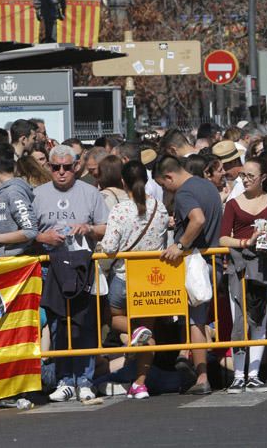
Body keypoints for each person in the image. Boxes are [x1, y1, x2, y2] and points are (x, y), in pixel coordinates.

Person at [34, 144, 109, 402]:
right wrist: (44, 236)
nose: (62, 172)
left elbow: (105, 227)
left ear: (76, 166)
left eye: (67, 167)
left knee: (84, 324)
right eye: (56, 168)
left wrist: (87, 229)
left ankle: (85, 379)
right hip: (50, 267)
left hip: (82, 267)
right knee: (57, 325)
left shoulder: (90, 192)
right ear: (49, 168)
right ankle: (64, 379)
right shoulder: (38, 194)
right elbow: (29, 231)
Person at [219, 157, 267, 393]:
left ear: (263, 178)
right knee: (238, 318)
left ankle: (254, 374)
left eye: (250, 176)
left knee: (259, 319)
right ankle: (238, 374)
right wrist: (244, 241)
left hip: (264, 264)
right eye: (243, 176)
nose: (246, 180)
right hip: (239, 266)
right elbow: (223, 237)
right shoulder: (233, 204)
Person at [100, 160, 169, 400]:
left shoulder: (120, 210)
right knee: (148, 332)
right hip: (152, 277)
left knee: (112, 315)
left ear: (122, 182)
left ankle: (132, 330)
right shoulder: (160, 208)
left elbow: (109, 247)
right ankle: (140, 383)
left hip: (124, 275)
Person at [156, 155, 223, 395]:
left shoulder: (184, 193)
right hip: (213, 262)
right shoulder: (207, 185)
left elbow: (198, 220)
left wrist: (180, 245)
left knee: (196, 321)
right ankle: (198, 367)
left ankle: (202, 376)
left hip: (198, 265)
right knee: (198, 319)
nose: (166, 191)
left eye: (164, 186)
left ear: (169, 177)